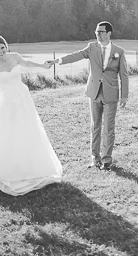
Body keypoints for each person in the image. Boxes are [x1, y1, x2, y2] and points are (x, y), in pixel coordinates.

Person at [0, 36, 63, 195]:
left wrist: (42, 65)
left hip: (22, 98)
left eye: (2, 47)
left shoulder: (15, 57)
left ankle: (29, 168)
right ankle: (8, 171)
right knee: (8, 133)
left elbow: (27, 63)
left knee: (27, 130)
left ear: (6, 46)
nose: (0, 51)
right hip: (5, 102)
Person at [47, 21, 129, 170]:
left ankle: (106, 160)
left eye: (101, 32)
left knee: (108, 128)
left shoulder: (119, 51)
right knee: (95, 127)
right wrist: (57, 61)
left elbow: (124, 75)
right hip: (94, 92)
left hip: (111, 94)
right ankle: (94, 159)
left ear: (109, 33)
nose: (98, 34)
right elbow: (76, 56)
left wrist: (124, 96)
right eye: (96, 32)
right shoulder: (91, 47)